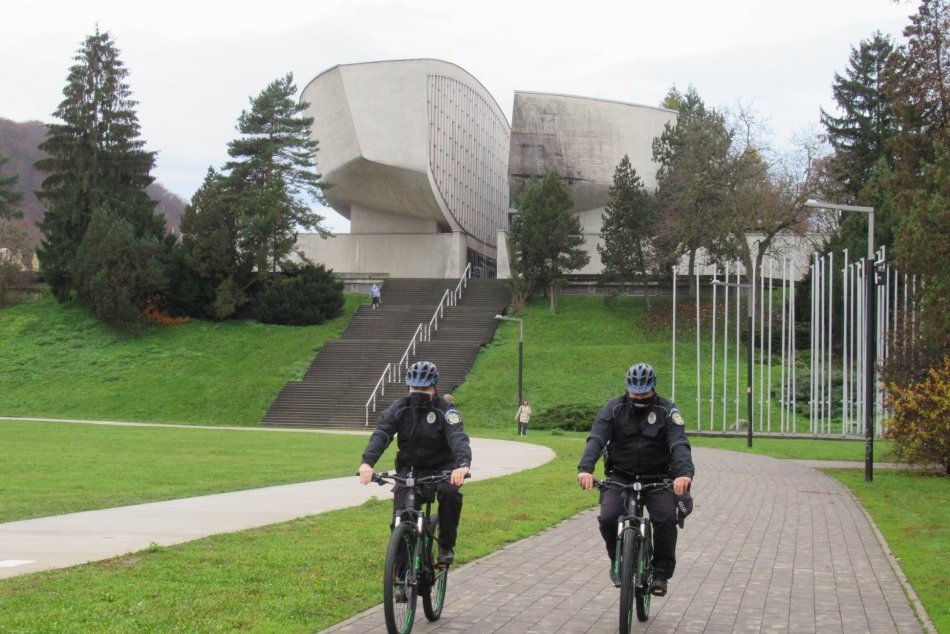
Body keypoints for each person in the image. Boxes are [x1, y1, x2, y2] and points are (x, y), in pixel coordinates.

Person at [577, 362, 694, 597]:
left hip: (658, 476)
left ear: (653, 389)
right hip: (620, 476)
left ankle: (660, 571)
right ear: (627, 389)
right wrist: (585, 468)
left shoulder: (667, 411)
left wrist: (683, 474)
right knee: (609, 518)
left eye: (644, 393)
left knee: (665, 518)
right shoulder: (614, 408)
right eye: (634, 393)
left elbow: (678, 444)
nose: (639, 397)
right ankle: (617, 560)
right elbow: (597, 438)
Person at [358, 360, 472, 565]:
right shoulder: (399, 408)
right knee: (400, 521)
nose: (418, 392)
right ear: (408, 386)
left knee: (450, 493)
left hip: (442, 469)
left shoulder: (446, 410)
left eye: (423, 388)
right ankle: (401, 577)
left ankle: (446, 545)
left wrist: (462, 465)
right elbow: (382, 433)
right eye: (414, 388)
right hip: (408, 470)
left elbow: (457, 437)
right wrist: (367, 463)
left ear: (434, 387)